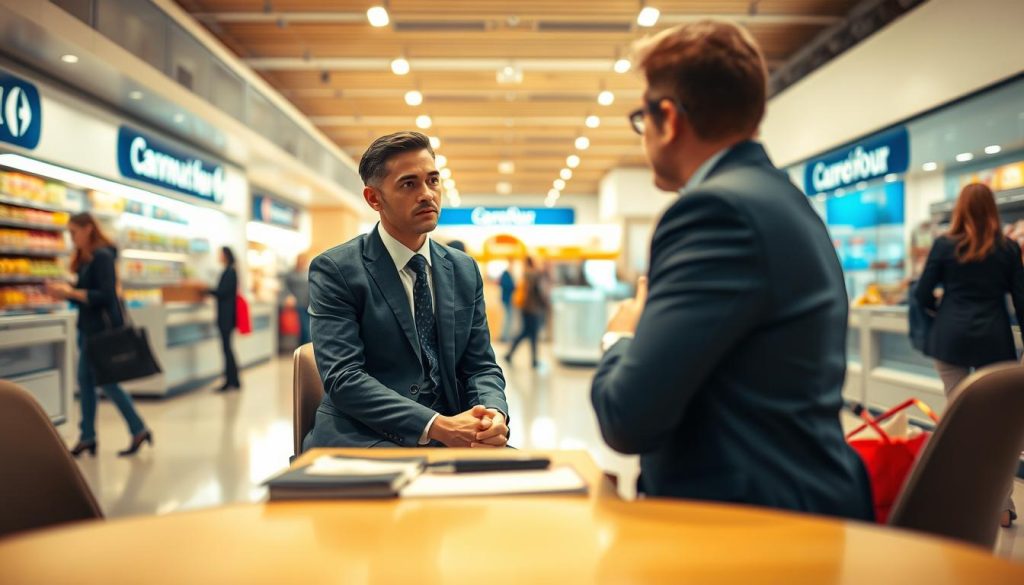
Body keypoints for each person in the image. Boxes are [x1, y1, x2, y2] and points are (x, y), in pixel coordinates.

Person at [589, 20, 873, 520]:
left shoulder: (714, 212)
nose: (643, 134)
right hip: (797, 510)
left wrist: (622, 336)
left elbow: (627, 419)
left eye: (641, 117)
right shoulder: (782, 199)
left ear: (668, 119)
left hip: (750, 527)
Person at [303, 131, 509, 449]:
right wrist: (436, 426)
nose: (427, 194)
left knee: (529, 476)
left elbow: (480, 365)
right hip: (364, 435)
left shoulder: (463, 269)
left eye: (433, 180)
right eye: (408, 184)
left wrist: (492, 414)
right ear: (374, 198)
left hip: (453, 430)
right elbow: (344, 378)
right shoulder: (336, 270)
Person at [915, 182, 1024, 528]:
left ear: (960, 209)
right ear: (992, 209)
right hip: (994, 341)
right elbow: (1021, 300)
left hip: (950, 341)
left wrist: (943, 312)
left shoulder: (944, 245)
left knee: (959, 420)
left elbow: (921, 294)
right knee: (997, 426)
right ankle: (1002, 506)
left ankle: (959, 500)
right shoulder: (1007, 248)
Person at [46, 213, 152, 457]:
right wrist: (65, 292)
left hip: (100, 332)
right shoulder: (86, 258)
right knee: (88, 381)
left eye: (73, 232)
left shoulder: (102, 256)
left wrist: (70, 293)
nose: (71, 237)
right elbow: (87, 293)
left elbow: (106, 295)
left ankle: (132, 430)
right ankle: (92, 436)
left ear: (88, 229)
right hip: (88, 328)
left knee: (104, 381)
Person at [504, 257, 548, 368]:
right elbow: (538, 292)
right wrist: (545, 303)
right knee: (529, 334)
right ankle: (530, 359)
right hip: (532, 309)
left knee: (528, 333)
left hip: (525, 308)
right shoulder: (533, 274)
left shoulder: (525, 274)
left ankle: (527, 358)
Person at [208, 246, 240, 391]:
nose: (218, 256)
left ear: (226, 255)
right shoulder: (230, 271)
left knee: (227, 349)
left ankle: (230, 380)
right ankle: (233, 380)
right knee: (227, 348)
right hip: (227, 316)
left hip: (226, 316)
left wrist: (206, 290)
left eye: (220, 254)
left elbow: (222, 292)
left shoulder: (229, 272)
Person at [284, 253, 311, 346]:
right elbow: (285, 287)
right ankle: (306, 346)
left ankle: (304, 346)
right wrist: (289, 295)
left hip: (309, 303)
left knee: (308, 326)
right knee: (304, 327)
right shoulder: (291, 273)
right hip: (298, 303)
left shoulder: (309, 272)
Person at [498, 261, 516, 342]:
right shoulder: (506, 275)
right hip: (507, 299)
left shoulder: (506, 275)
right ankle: (505, 336)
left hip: (507, 299)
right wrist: (514, 286)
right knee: (507, 318)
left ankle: (506, 335)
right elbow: (509, 286)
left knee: (508, 318)